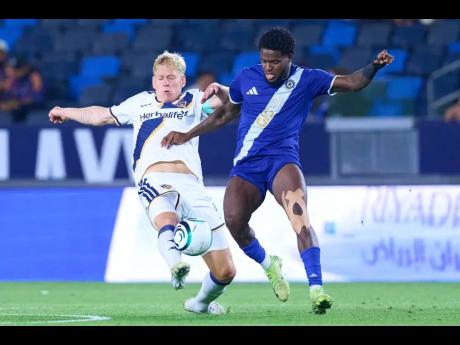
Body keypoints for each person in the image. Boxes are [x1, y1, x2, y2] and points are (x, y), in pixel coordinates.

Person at [162, 27, 394, 314]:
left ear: (289, 58)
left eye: (275, 62)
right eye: (264, 61)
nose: (269, 67)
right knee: (234, 221)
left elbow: (353, 82)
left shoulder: (308, 79)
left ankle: (317, 289)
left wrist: (374, 66)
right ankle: (270, 265)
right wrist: (186, 135)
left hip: (282, 162)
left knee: (300, 218)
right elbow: (225, 114)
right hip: (247, 165)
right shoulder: (246, 77)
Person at [48, 51, 236, 315]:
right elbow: (99, 115)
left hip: (192, 187)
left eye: (171, 77)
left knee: (226, 270)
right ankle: (175, 264)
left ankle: (200, 303)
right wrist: (64, 111)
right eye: (161, 78)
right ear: (153, 81)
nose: (166, 83)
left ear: (182, 81)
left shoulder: (195, 100)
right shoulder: (140, 103)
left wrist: (224, 90)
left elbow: (229, 104)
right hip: (154, 178)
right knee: (165, 216)